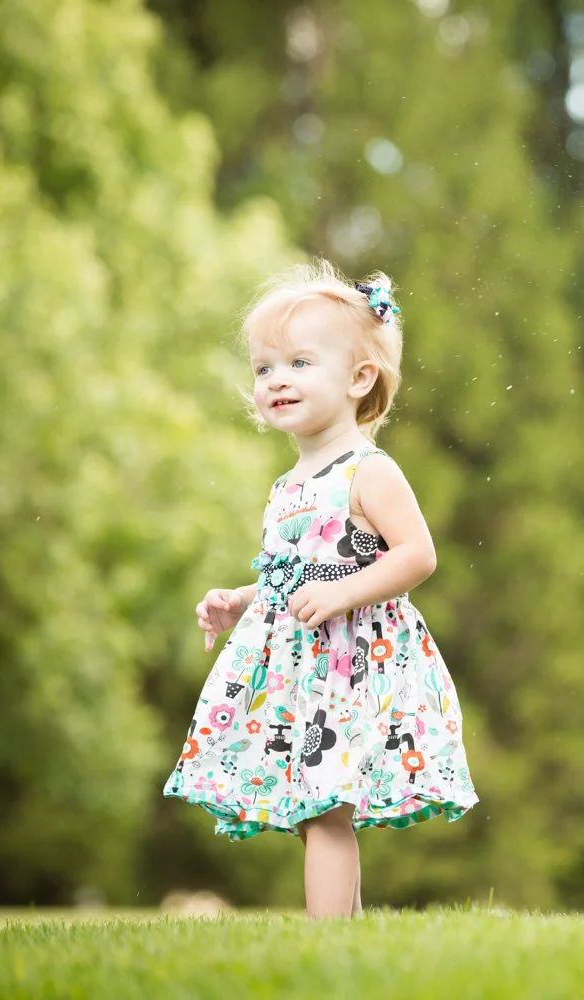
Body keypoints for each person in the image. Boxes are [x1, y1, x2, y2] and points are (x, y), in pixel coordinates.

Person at [163, 260, 477, 918]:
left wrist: (343, 596)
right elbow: (298, 573)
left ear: (359, 377)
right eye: (264, 368)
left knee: (324, 803)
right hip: (300, 665)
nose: (276, 380)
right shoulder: (288, 486)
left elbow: (417, 555)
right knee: (313, 808)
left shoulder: (368, 471)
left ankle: (326, 941)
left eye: (300, 363)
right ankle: (346, 941)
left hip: (349, 661)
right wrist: (240, 599)